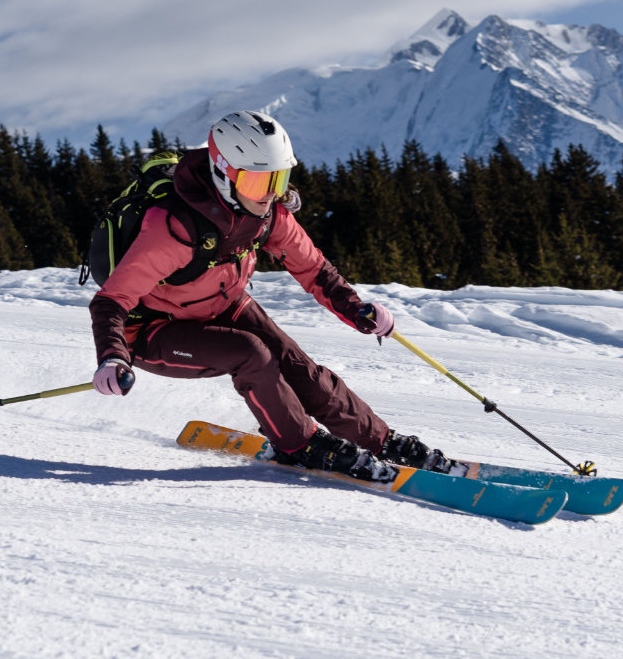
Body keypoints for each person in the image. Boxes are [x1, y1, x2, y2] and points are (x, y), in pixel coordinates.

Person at [88, 110, 452, 481]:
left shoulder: (267, 214)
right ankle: (299, 446)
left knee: (298, 367)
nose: (269, 195)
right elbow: (111, 301)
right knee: (251, 354)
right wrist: (112, 357)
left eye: (278, 180)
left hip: (220, 304)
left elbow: (314, 269)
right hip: (150, 329)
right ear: (224, 174)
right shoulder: (174, 226)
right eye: (257, 183)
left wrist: (356, 309)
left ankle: (380, 441)